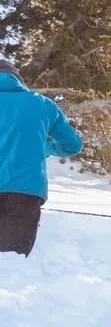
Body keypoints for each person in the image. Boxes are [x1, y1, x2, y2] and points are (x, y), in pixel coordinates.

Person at [0, 58, 84, 257]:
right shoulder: (41, 104)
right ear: (18, 80)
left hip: (24, 190)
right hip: (25, 191)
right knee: (12, 259)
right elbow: (73, 145)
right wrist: (43, 147)